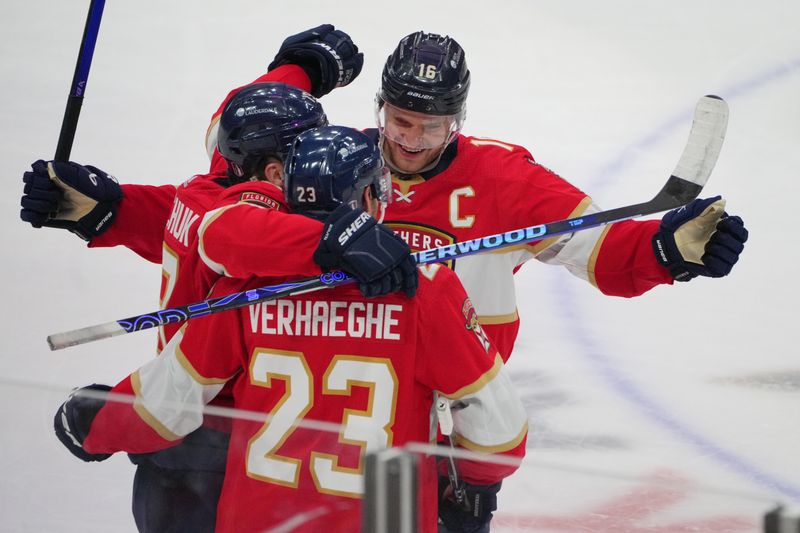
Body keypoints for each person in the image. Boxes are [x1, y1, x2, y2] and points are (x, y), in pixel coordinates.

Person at [53, 126, 528, 533]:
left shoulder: (247, 289)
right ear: (367, 198)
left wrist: (96, 424)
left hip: (263, 517)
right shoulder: (423, 288)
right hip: (386, 514)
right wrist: (471, 488)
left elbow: (163, 406)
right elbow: (499, 432)